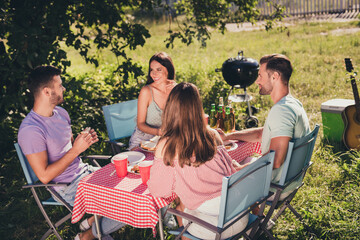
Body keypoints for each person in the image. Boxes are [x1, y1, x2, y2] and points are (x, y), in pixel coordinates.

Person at [17, 66, 125, 240]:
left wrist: (83, 141)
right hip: (67, 187)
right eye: (60, 85)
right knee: (127, 203)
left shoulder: (61, 113)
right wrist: (77, 149)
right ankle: (89, 233)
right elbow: (44, 177)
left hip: (84, 171)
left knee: (132, 186)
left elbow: (68, 149)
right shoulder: (31, 130)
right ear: (46, 91)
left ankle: (91, 226)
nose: (64, 88)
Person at [148, 82, 248, 239]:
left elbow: (159, 191)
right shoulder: (212, 134)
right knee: (184, 203)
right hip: (240, 217)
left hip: (214, 229)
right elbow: (230, 170)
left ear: (170, 109)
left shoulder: (167, 144)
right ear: (197, 107)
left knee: (180, 208)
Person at [218, 54, 310, 200]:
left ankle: (250, 221)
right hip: (290, 179)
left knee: (217, 178)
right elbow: (261, 134)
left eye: (260, 76)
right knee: (243, 159)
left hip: (275, 186)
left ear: (275, 76)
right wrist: (229, 136)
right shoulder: (291, 103)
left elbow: (276, 159)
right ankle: (256, 220)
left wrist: (240, 170)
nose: (257, 81)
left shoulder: (282, 111)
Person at [128, 52, 176, 150]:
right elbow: (140, 124)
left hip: (167, 141)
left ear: (168, 69)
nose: (154, 74)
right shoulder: (146, 91)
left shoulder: (176, 90)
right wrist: (159, 132)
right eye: (152, 70)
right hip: (143, 142)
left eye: (159, 69)